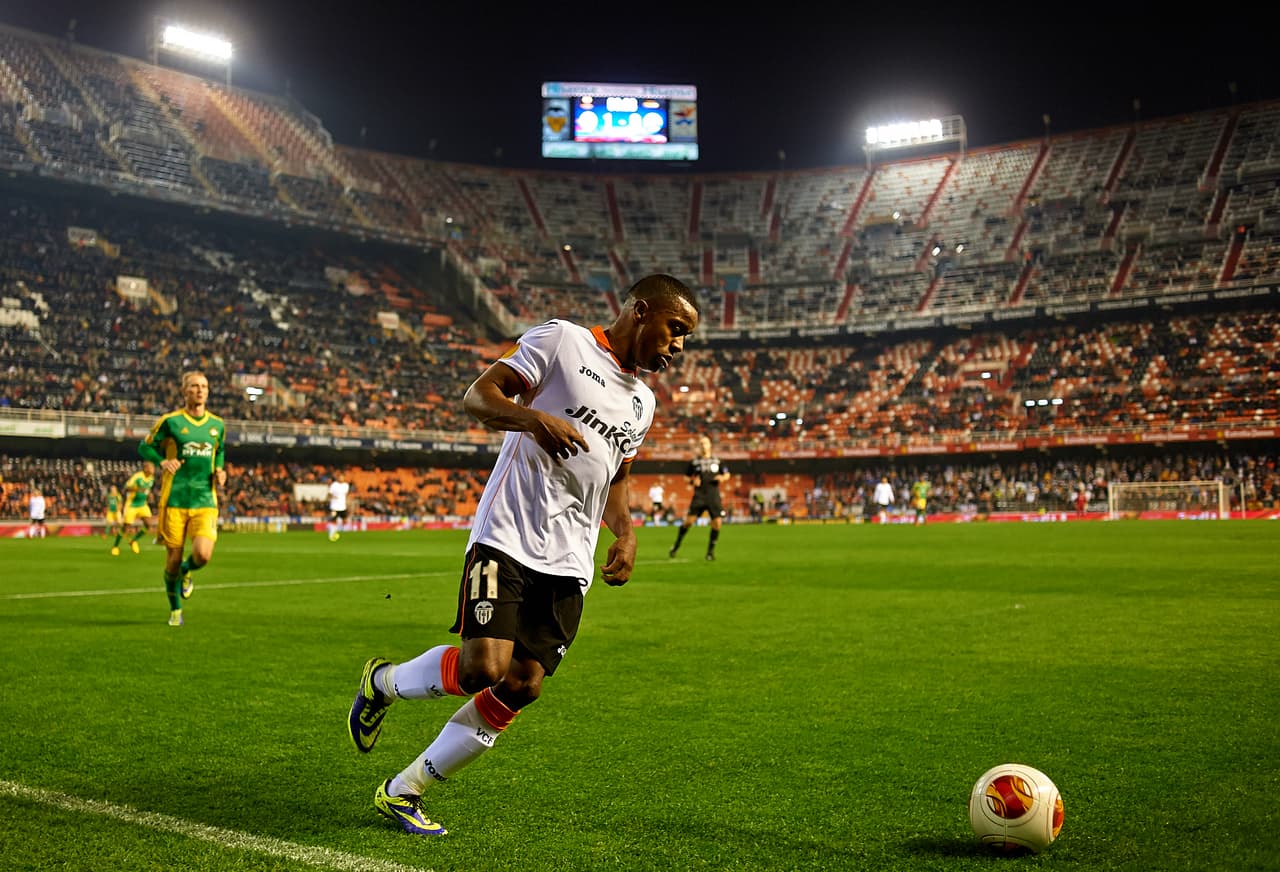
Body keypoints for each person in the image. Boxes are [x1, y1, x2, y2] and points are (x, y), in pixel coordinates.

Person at [346, 273, 699, 836]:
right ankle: (381, 684)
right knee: (483, 667)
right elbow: (479, 396)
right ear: (640, 310)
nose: (679, 345)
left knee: (522, 684)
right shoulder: (563, 341)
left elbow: (616, 477)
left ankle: (404, 789)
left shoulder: (643, 402)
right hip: (507, 534)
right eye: (675, 329)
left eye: (686, 337)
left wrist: (626, 533)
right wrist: (532, 418)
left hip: (571, 562)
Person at [138, 370, 227, 627]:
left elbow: (219, 450)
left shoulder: (217, 425)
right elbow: (144, 446)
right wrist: (162, 461)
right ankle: (175, 610)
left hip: (205, 500)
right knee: (173, 560)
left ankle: (188, 571)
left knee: (203, 555)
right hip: (174, 500)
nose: (200, 390)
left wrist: (219, 471)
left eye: (204, 386)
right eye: (194, 386)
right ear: (184, 391)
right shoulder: (171, 422)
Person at [668, 435, 731, 561]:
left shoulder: (718, 461)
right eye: (701, 443)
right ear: (698, 446)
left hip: (713, 496)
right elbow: (686, 477)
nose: (703, 445)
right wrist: (692, 481)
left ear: (710, 445)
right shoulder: (694, 462)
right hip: (699, 496)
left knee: (717, 523)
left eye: (705, 443)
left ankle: (710, 552)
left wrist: (722, 478)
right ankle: (676, 546)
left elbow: (727, 474)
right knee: (688, 522)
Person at [116, 461, 156, 554]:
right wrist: (138, 489)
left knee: (149, 524)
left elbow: (147, 490)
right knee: (126, 527)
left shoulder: (151, 478)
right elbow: (126, 487)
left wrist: (150, 495)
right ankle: (115, 546)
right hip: (132, 504)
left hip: (143, 504)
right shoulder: (137, 477)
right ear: (146, 468)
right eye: (151, 467)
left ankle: (133, 541)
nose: (153, 469)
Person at [328, 471, 351, 541]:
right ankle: (331, 534)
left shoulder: (346, 485)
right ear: (338, 478)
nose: (341, 478)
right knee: (333, 520)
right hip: (334, 507)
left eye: (342, 477)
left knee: (345, 520)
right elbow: (329, 494)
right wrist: (333, 497)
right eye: (340, 477)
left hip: (343, 506)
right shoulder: (334, 485)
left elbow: (346, 495)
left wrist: (347, 502)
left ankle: (345, 535)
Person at [106, 485, 123, 552]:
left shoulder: (118, 495)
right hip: (111, 511)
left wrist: (119, 509)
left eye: (113, 489)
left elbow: (120, 503)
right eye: (111, 489)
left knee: (119, 523)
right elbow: (108, 503)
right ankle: (106, 534)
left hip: (117, 511)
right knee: (109, 522)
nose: (112, 490)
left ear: (116, 489)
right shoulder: (109, 496)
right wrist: (108, 508)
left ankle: (121, 533)